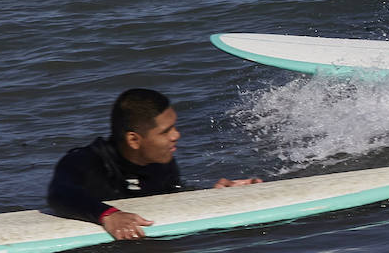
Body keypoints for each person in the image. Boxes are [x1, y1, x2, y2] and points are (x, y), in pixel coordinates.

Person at [47, 88, 260, 241]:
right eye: (166, 131)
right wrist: (108, 215)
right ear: (134, 140)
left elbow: (171, 196)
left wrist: (213, 194)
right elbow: (59, 194)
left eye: (174, 127)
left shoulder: (160, 162)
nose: (176, 135)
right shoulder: (85, 161)